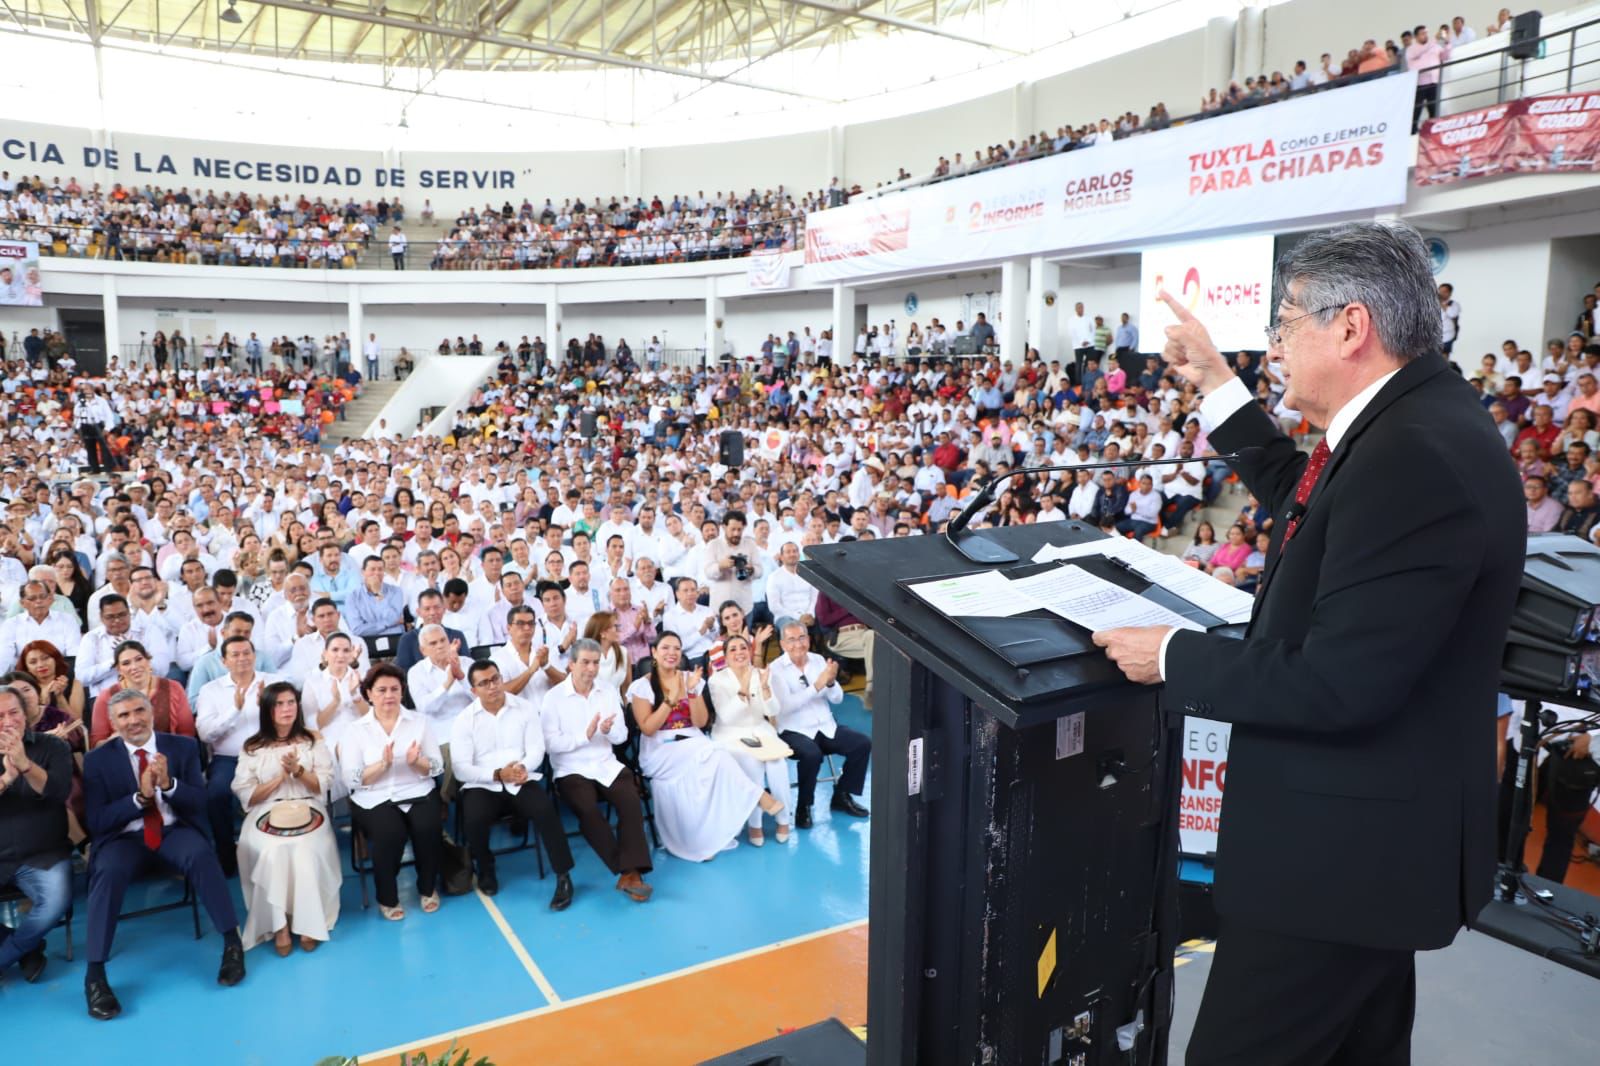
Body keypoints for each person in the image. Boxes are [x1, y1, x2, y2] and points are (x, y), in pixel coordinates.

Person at [1092, 222, 1524, 1066]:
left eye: (1285, 324)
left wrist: (1171, 657)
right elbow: (1309, 498)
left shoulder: (1412, 456)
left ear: (1350, 327)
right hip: (1373, 854)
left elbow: (1340, 683)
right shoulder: (1412, 421)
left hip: (1335, 871)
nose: (1276, 346)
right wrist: (1217, 385)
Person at [83, 688, 246, 1020]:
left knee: (201, 855)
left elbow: (201, 803)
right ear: (113, 722)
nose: (133, 720)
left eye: (139, 711)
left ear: (151, 713)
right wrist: (139, 800)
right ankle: (95, 974)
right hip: (124, 838)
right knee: (107, 872)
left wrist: (169, 784)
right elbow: (97, 822)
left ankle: (232, 943)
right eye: (124, 715)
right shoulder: (97, 760)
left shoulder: (183, 747)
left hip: (174, 831)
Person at [626, 632, 780, 861]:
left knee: (717, 755)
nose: (672, 653)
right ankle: (758, 795)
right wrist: (671, 701)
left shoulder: (690, 677)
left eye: (677, 648)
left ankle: (704, 839)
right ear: (654, 653)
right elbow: (648, 728)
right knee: (714, 752)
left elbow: (699, 722)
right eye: (666, 648)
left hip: (692, 740)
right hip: (660, 748)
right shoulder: (642, 685)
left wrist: (690, 692)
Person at [450, 661, 575, 909]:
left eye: (495, 679)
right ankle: (485, 868)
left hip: (520, 777)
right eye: (484, 683)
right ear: (474, 690)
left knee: (545, 810)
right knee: (474, 818)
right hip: (484, 783)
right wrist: (497, 774)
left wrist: (522, 768)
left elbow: (537, 749)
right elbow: (461, 768)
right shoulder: (464, 720)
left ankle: (563, 876)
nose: (492, 686)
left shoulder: (524, 708)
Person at [231, 682, 341, 955]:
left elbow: (323, 784)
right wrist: (280, 778)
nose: (286, 708)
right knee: (273, 849)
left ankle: (307, 922)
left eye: (291, 702)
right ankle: (278, 925)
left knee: (304, 847)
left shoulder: (313, 740)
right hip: (265, 810)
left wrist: (298, 770)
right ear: (268, 709)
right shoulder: (253, 746)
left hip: (308, 808)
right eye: (279, 703)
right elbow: (246, 794)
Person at [542, 639, 653, 901]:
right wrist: (585, 735)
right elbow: (550, 745)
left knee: (630, 801)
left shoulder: (607, 691)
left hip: (605, 764)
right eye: (585, 662)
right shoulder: (553, 698)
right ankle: (627, 871)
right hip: (571, 769)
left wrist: (607, 731)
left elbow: (622, 736)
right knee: (588, 810)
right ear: (571, 664)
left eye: (595, 663)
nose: (591, 669)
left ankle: (631, 873)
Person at [342, 662, 444, 921]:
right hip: (374, 796)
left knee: (428, 828)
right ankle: (387, 897)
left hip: (417, 789)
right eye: (382, 690)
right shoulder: (355, 730)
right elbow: (350, 778)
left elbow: (436, 765)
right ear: (369, 694)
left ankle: (427, 887)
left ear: (402, 692)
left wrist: (416, 763)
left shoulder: (419, 722)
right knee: (390, 834)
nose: (388, 695)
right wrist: (382, 766)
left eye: (394, 689)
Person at [0, 683, 73, 985]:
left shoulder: (52, 746)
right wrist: (6, 779)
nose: (7, 722)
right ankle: (28, 948)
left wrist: (26, 766)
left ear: (26, 714)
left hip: (44, 853)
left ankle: (7, 955)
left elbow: (59, 792)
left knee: (55, 902)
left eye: (13, 712)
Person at [195, 637, 283, 877]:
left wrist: (267, 707)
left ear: (255, 656)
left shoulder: (274, 683)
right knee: (216, 795)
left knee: (284, 787)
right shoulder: (210, 690)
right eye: (235, 654)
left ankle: (279, 853)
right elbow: (205, 733)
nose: (242, 658)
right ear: (224, 661)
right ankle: (226, 857)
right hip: (229, 758)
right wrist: (235, 710)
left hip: (270, 752)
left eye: (247, 653)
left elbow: (291, 724)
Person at [770, 620, 871, 829]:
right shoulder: (776, 669)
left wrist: (832, 682)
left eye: (801, 638)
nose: (797, 644)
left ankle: (842, 795)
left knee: (861, 743)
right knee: (812, 754)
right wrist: (817, 685)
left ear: (808, 639)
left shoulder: (818, 661)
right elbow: (785, 707)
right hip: (793, 730)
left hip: (825, 726)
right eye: (791, 640)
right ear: (782, 644)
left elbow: (837, 699)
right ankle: (804, 806)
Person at [707, 633, 795, 845]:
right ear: (726, 657)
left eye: (743, 648)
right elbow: (727, 716)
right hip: (730, 734)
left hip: (759, 729)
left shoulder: (762, 673)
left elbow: (773, 710)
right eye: (733, 649)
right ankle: (754, 824)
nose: (739, 653)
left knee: (778, 763)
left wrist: (764, 688)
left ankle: (784, 819)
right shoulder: (716, 680)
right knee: (753, 763)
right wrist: (744, 688)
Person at [90, 640, 196, 748]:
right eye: (126, 663)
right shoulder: (106, 696)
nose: (134, 667)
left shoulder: (173, 688)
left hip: (169, 755)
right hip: (124, 758)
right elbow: (97, 744)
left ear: (148, 660)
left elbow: (187, 733)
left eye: (139, 659)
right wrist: (117, 740)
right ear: (119, 669)